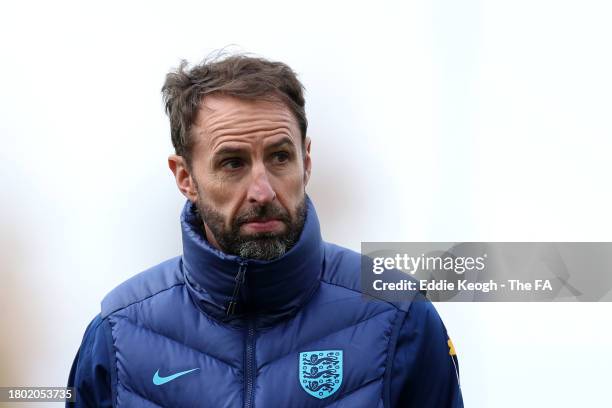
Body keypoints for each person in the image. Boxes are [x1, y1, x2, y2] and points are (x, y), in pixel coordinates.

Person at [67, 53, 464, 407]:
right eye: (233, 163)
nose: (262, 190)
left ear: (306, 162)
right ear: (185, 177)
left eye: (279, 157)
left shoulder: (399, 318)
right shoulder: (117, 336)